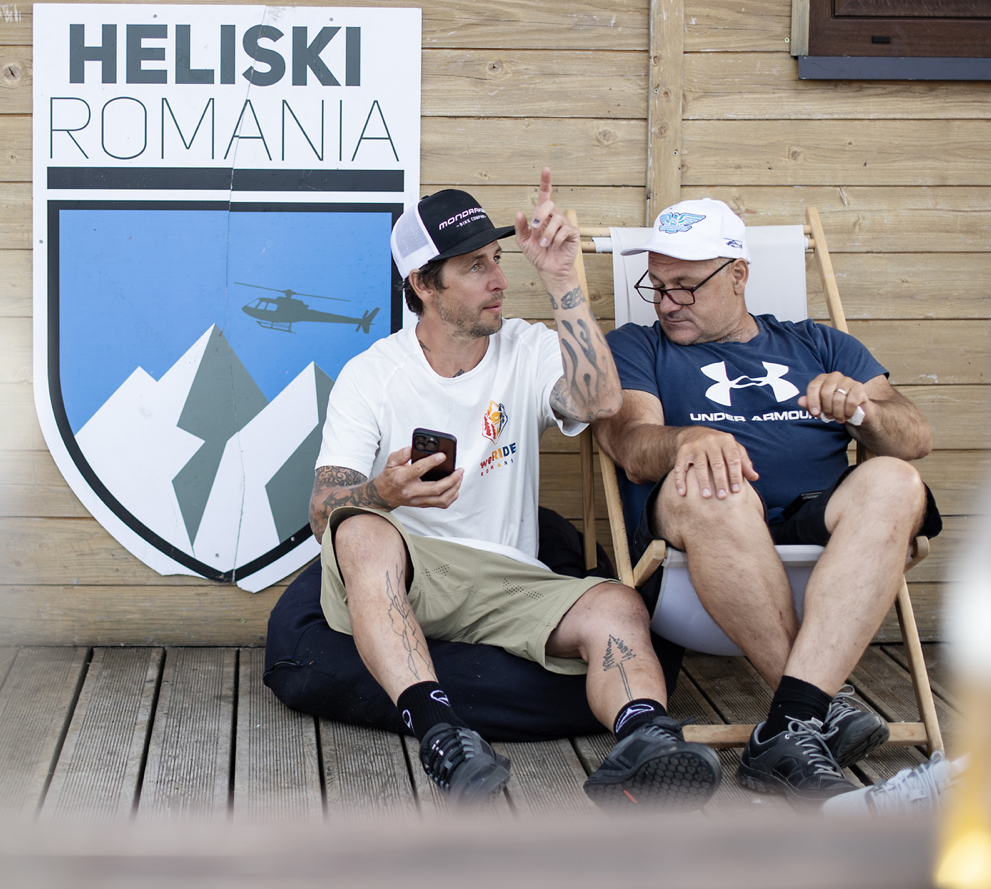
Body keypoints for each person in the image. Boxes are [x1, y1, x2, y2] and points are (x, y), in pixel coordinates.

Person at [306, 172, 721, 808]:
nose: (500, 279)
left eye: (498, 259)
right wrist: (384, 493)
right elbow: (322, 514)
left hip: (508, 580)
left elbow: (600, 401)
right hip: (410, 573)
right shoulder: (371, 376)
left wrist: (563, 281)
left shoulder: (528, 347)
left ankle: (647, 743)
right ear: (423, 284)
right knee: (358, 528)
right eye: (475, 266)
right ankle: (444, 737)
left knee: (617, 605)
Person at [593, 198, 940, 803]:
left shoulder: (819, 344)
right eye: (657, 286)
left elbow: (914, 439)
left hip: (818, 532)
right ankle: (817, 708)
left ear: (738, 275)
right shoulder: (637, 346)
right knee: (711, 481)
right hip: (696, 547)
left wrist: (862, 408)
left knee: (896, 481)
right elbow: (631, 445)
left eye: (685, 286)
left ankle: (790, 723)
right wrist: (688, 439)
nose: (666, 303)